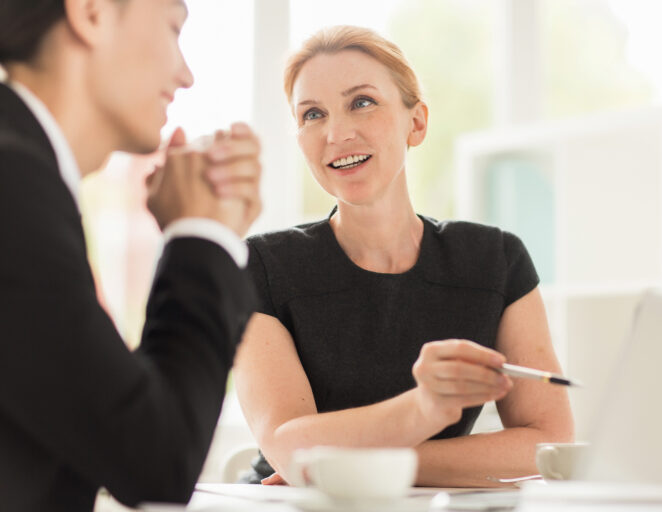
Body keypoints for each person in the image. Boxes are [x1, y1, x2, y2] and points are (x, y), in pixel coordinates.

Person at [234, 25, 573, 488]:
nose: (336, 133)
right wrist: (424, 409)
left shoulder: (496, 261)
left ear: (416, 123)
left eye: (362, 102)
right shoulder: (260, 266)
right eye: (313, 114)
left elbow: (548, 439)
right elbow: (289, 446)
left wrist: (354, 464)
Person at [0, 0, 262, 510]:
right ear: (92, 12)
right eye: (173, 27)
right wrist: (201, 235)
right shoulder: (13, 186)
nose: (186, 75)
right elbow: (156, 462)